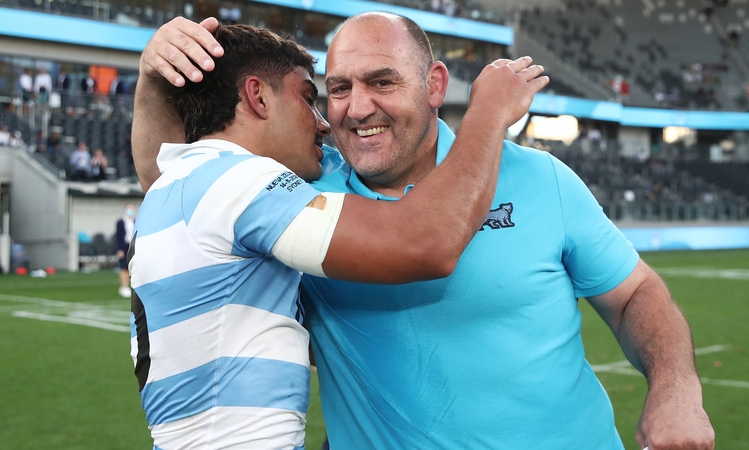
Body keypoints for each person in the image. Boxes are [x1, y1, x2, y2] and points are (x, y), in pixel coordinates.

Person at [133, 15, 714, 450]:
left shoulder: (541, 177)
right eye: (336, 89)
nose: (356, 108)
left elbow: (635, 292)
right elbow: (176, 177)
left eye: (382, 81)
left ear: (435, 85)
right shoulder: (306, 187)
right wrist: (155, 74)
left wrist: (677, 387)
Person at [130, 23, 545, 449]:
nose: (323, 123)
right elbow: (426, 242)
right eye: (310, 100)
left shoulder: (182, 181)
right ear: (258, 97)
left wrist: (151, 80)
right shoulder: (236, 179)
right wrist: (489, 114)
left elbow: (153, 168)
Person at [115, 204, 135, 298]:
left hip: (133, 246)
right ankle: (124, 287)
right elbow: (118, 237)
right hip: (124, 246)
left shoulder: (135, 221)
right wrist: (119, 249)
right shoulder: (120, 222)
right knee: (124, 268)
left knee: (132, 268)